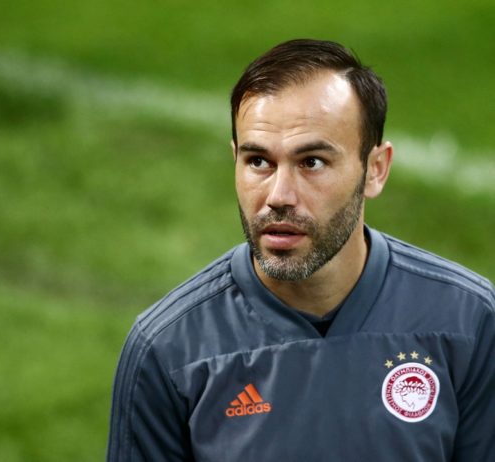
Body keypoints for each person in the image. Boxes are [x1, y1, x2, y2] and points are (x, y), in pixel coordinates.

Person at [107, 39, 494, 461]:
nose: (279, 196)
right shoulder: (167, 348)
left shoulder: (469, 321)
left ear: (375, 170)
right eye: (258, 161)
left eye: (311, 162)